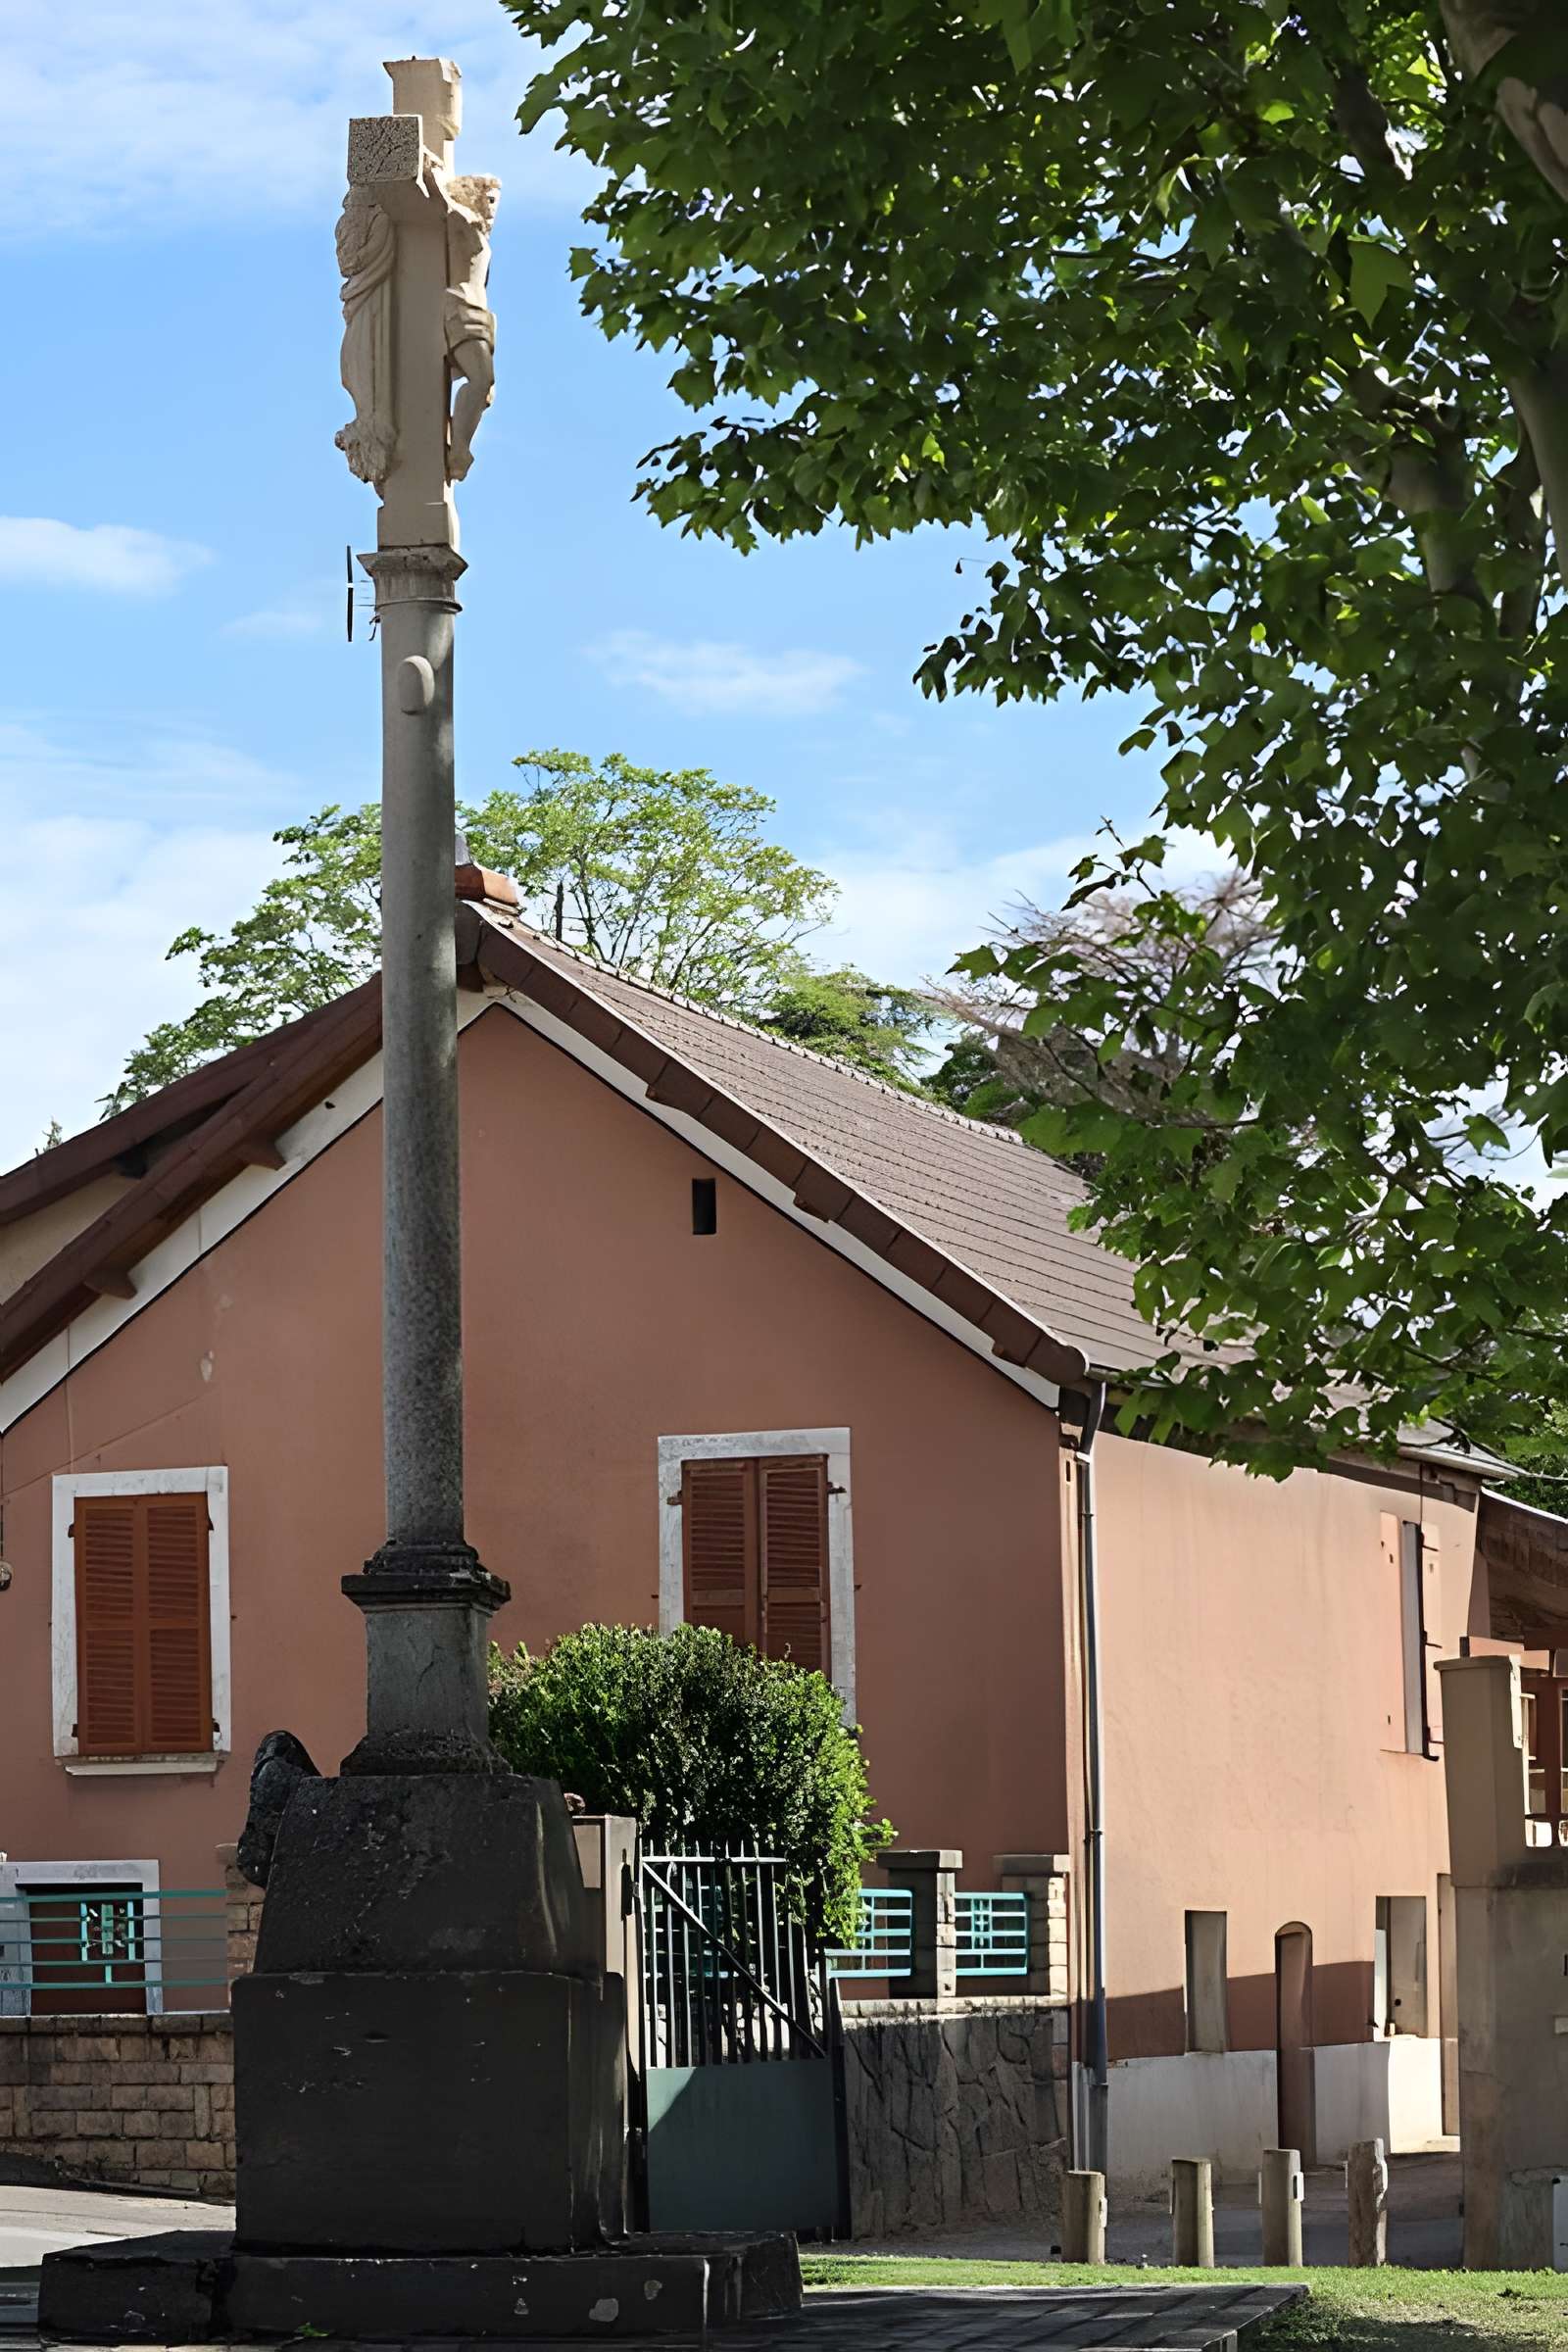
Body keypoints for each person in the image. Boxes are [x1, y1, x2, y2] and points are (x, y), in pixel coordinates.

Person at [444, 174, 501, 483]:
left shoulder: (479, 229)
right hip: (459, 306)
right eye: (490, 200)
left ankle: (459, 446)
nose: (493, 208)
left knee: (485, 390)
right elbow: (436, 203)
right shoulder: (460, 218)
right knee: (482, 381)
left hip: (478, 311)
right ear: (475, 195)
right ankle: (459, 449)